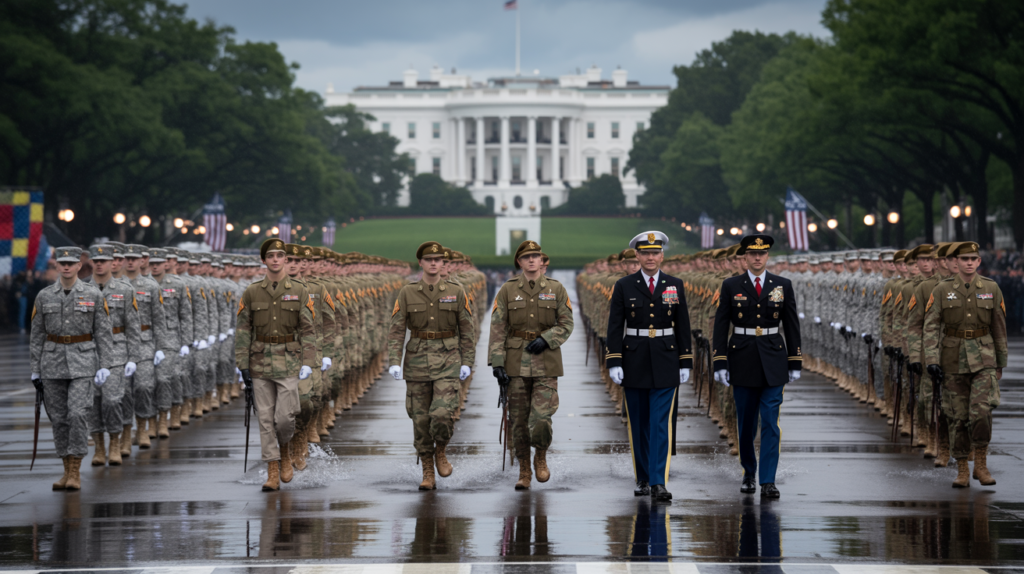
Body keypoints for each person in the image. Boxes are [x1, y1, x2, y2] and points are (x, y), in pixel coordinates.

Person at [712, 234, 801, 499]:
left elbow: (792, 324)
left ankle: (768, 480)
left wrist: (794, 360)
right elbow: (721, 324)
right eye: (752, 253)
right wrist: (720, 361)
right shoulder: (731, 285)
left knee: (771, 423)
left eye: (762, 253)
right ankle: (749, 472)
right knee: (747, 422)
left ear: (767, 256)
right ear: (745, 257)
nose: (757, 257)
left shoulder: (782, 284)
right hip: (742, 357)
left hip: (774, 358)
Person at [605, 231, 692, 502]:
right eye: (645, 253)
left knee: (660, 424)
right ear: (637, 256)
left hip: (666, 358)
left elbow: (683, 324)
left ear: (662, 255)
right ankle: (642, 477)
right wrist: (614, 360)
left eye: (655, 253)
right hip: (635, 359)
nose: (651, 257)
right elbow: (615, 326)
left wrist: (685, 360)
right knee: (639, 423)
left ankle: (658, 481)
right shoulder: (624, 285)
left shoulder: (674, 284)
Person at [387, 241, 475, 490]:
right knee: (420, 420)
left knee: (442, 414)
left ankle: (442, 450)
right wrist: (394, 361)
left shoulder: (457, 292)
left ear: (443, 263)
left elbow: (467, 329)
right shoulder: (407, 292)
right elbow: (396, 330)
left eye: (438, 259)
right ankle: (427, 469)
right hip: (416, 361)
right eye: (429, 259)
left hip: (447, 359)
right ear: (421, 263)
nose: (434, 263)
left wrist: (467, 361)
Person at [920, 241, 1008, 488]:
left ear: (979, 262)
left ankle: (980, 463)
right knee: (956, 417)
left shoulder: (991, 288)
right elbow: (931, 326)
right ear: (955, 262)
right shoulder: (941, 289)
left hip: (984, 359)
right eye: (964, 259)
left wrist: (1000, 363)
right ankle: (961, 469)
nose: (969, 262)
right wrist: (932, 359)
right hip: (952, 360)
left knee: (981, 412)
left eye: (973, 259)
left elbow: (999, 327)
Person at [488, 240, 574, 490]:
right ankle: (524, 469)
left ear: (541, 260)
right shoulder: (507, 289)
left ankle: (541, 456)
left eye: (536, 256)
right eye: (527, 257)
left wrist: (547, 339)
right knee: (518, 420)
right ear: (520, 262)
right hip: (515, 363)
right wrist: (497, 362)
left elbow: (566, 323)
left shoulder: (556, 289)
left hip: (545, 361)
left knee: (541, 419)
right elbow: (498, 327)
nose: (532, 260)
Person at [29, 246, 116, 491]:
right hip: (52, 363)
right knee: (58, 419)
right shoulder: (44, 296)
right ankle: (65, 469)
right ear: (56, 266)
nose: (66, 267)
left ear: (80, 266)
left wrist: (105, 364)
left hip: (83, 363)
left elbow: (103, 332)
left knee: (77, 414)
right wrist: (35, 369)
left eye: (71, 263)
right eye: (62, 263)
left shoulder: (93, 294)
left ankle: (76, 470)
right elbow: (37, 335)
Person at [235, 238, 317, 491]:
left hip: (288, 361)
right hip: (259, 362)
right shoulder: (252, 292)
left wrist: (308, 361)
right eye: (271, 256)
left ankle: (285, 448)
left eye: (280, 255)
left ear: (284, 259)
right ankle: (273, 468)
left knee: (284, 418)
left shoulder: (299, 290)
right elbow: (243, 330)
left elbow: (308, 328)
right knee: (265, 420)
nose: (276, 259)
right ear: (264, 260)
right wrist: (242, 364)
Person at [86, 244, 142, 467]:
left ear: (112, 262)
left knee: (111, 400)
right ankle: (99, 447)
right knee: (93, 402)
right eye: (96, 260)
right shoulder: (83, 290)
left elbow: (133, 325)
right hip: (87, 353)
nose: (99, 264)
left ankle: (115, 443)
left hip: (117, 351)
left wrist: (133, 357)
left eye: (104, 260)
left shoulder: (124, 290)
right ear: (91, 262)